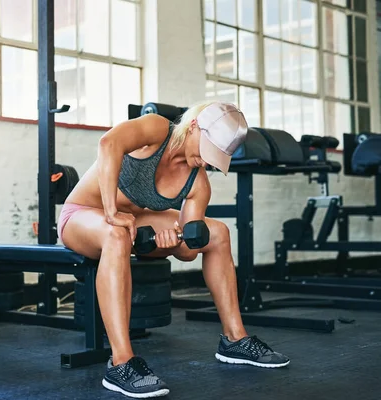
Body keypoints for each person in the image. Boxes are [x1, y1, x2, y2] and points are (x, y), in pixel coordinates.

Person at [57, 101, 290, 398]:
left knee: (217, 232)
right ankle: (121, 363)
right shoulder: (156, 128)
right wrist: (111, 211)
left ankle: (235, 339)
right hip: (84, 215)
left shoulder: (197, 183)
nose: (206, 162)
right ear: (194, 127)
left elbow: (190, 249)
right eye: (208, 150)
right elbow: (108, 143)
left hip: (133, 223)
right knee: (115, 234)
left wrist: (174, 240)